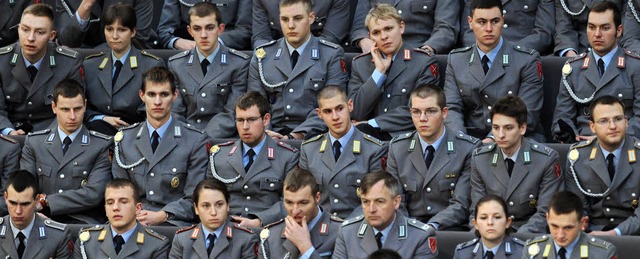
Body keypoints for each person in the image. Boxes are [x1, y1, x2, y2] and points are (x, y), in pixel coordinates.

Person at [112, 66, 209, 227]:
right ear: (142, 95)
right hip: (133, 222)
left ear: (175, 95)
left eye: (164, 94)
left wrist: (162, 215)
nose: (157, 102)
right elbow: (119, 191)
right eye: (151, 94)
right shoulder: (124, 139)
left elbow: (195, 197)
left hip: (174, 224)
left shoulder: (194, 140)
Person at [445, 0, 545, 143]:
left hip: (516, 140)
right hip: (471, 140)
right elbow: (452, 109)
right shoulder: (456, 60)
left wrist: (493, 138)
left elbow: (528, 113)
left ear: (503, 21)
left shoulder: (526, 60)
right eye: (481, 22)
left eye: (495, 21)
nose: (489, 28)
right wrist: (462, 142)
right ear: (470, 22)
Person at [247, 0, 348, 141]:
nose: (291, 25)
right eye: (284, 19)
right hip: (270, 138)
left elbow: (333, 108)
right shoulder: (262, 56)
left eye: (298, 18)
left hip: (315, 139)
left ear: (311, 18)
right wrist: (266, 134)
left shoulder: (331, 55)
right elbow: (255, 106)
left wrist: (295, 136)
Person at [17, 79, 112, 225]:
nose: (72, 116)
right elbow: (26, 187)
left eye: (78, 109)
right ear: (54, 107)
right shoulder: (35, 142)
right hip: (41, 218)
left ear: (85, 106)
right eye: (65, 109)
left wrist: (47, 200)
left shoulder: (101, 145)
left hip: (82, 221)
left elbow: (94, 193)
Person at [387, 84, 480, 230]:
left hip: (448, 229)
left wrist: (432, 226)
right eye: (416, 112)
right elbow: (397, 201)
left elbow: (461, 204)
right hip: (408, 229)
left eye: (430, 111)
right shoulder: (398, 148)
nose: (423, 118)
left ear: (444, 112)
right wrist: (410, 229)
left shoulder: (466, 148)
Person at [471, 95, 563, 233]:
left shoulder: (545, 159)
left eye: (508, 128)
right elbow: (477, 210)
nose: (500, 135)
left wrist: (516, 240)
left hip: (528, 235)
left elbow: (546, 213)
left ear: (522, 128)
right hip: (491, 233)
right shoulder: (480, 159)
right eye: (496, 128)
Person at [348, 3, 440, 141]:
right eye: (376, 32)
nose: (384, 36)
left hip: (407, 139)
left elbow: (421, 111)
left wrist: (372, 123)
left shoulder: (423, 62)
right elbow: (356, 111)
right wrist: (378, 72)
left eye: (388, 29)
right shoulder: (360, 64)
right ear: (370, 36)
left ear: (401, 27)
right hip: (368, 141)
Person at [553, 1, 640, 143]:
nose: (597, 34)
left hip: (625, 145)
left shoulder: (635, 67)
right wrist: (573, 137)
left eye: (605, 28)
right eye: (591, 27)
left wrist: (606, 139)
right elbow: (562, 118)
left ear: (619, 31)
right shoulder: (573, 69)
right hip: (583, 146)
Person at [208, 91, 299, 227]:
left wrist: (260, 221)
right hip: (226, 228)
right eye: (240, 120)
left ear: (266, 119)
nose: (245, 127)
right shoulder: (219, 155)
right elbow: (208, 196)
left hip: (267, 228)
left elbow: (292, 201)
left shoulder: (287, 156)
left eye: (251, 120)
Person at [299, 85, 387, 219]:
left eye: (340, 109)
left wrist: (346, 228)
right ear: (319, 114)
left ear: (350, 105)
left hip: (358, 228)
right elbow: (304, 197)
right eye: (328, 111)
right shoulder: (309, 149)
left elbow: (376, 200)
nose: (335, 117)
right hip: (321, 227)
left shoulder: (374, 149)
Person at [0, 3, 83, 136]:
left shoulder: (69, 63)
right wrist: (8, 131)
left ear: (52, 35)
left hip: (51, 134)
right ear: (18, 29)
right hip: (10, 133)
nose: (31, 38)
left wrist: (47, 134)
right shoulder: (2, 60)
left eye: (40, 32)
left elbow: (73, 109)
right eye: (25, 30)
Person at [83, 3, 165, 136]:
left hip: (135, 133)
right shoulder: (90, 64)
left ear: (133, 32)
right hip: (94, 132)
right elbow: (80, 105)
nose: (114, 36)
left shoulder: (151, 64)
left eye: (121, 30)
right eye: (109, 29)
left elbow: (153, 107)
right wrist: (102, 118)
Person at [565, 96, 640, 236]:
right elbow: (577, 207)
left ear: (626, 122)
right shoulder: (578, 158)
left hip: (634, 236)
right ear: (592, 127)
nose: (612, 126)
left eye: (618, 119)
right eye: (604, 121)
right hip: (591, 234)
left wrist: (615, 233)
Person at [170, 2, 250, 131]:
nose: (203, 35)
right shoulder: (177, 65)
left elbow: (232, 113)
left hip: (222, 140)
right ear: (189, 31)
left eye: (209, 28)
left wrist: (201, 139)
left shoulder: (239, 64)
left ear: (220, 29)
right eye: (197, 29)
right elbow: (176, 112)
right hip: (185, 139)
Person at [333, 171, 438, 259]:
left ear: (396, 202)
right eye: (366, 202)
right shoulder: (347, 232)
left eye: (379, 201)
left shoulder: (420, 236)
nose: (371, 209)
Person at [74, 178, 171, 258]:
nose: (115, 208)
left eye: (123, 202)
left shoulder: (156, 245)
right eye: (110, 203)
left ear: (137, 208)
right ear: (105, 209)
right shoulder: (87, 241)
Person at [258, 168, 343, 258]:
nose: (295, 211)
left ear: (317, 198)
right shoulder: (271, 236)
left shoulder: (340, 233)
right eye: (289, 202)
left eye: (303, 203)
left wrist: (305, 247)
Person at [169, 178, 258, 258]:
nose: (213, 212)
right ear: (196, 208)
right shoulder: (182, 239)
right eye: (206, 206)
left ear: (228, 206)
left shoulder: (246, 239)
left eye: (219, 204)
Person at [0, 170, 72, 258]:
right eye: (13, 203)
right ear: (5, 197)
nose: (18, 211)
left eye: (25, 204)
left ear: (37, 200)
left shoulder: (57, 236)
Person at [523, 191, 617, 258]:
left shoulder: (603, 254)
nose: (560, 235)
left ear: (582, 223)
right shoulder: (533, 251)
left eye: (568, 228)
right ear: (547, 218)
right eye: (554, 226)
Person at [351, 0, 459, 54]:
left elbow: (446, 28)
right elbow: (360, 27)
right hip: (379, 50)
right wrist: (366, 44)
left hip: (419, 50)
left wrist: (426, 51)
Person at [459, 0, 554, 55]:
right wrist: (484, 51)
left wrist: (510, 52)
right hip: (484, 53)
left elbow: (544, 33)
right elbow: (469, 31)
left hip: (523, 54)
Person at [54, 0, 158, 48]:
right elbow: (66, 44)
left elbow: (139, 39)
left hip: (128, 62)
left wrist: (96, 57)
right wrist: (86, 5)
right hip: (81, 64)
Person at [157, 0, 252, 50]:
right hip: (184, 53)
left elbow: (245, 30)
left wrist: (215, 42)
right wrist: (177, 42)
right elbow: (164, 30)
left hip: (227, 52)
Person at [252, 0, 349, 48]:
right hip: (276, 55)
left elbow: (331, 37)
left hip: (318, 55)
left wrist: (298, 52)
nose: (291, 25)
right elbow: (261, 37)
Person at [453, 195, 525, 258]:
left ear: (507, 222)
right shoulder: (463, 253)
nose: (490, 222)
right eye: (484, 218)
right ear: (475, 224)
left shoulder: (523, 252)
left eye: (497, 217)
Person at [554, 0, 623, 57]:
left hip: (614, 48)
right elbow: (564, 27)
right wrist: (570, 53)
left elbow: (627, 28)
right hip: (577, 49)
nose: (597, 34)